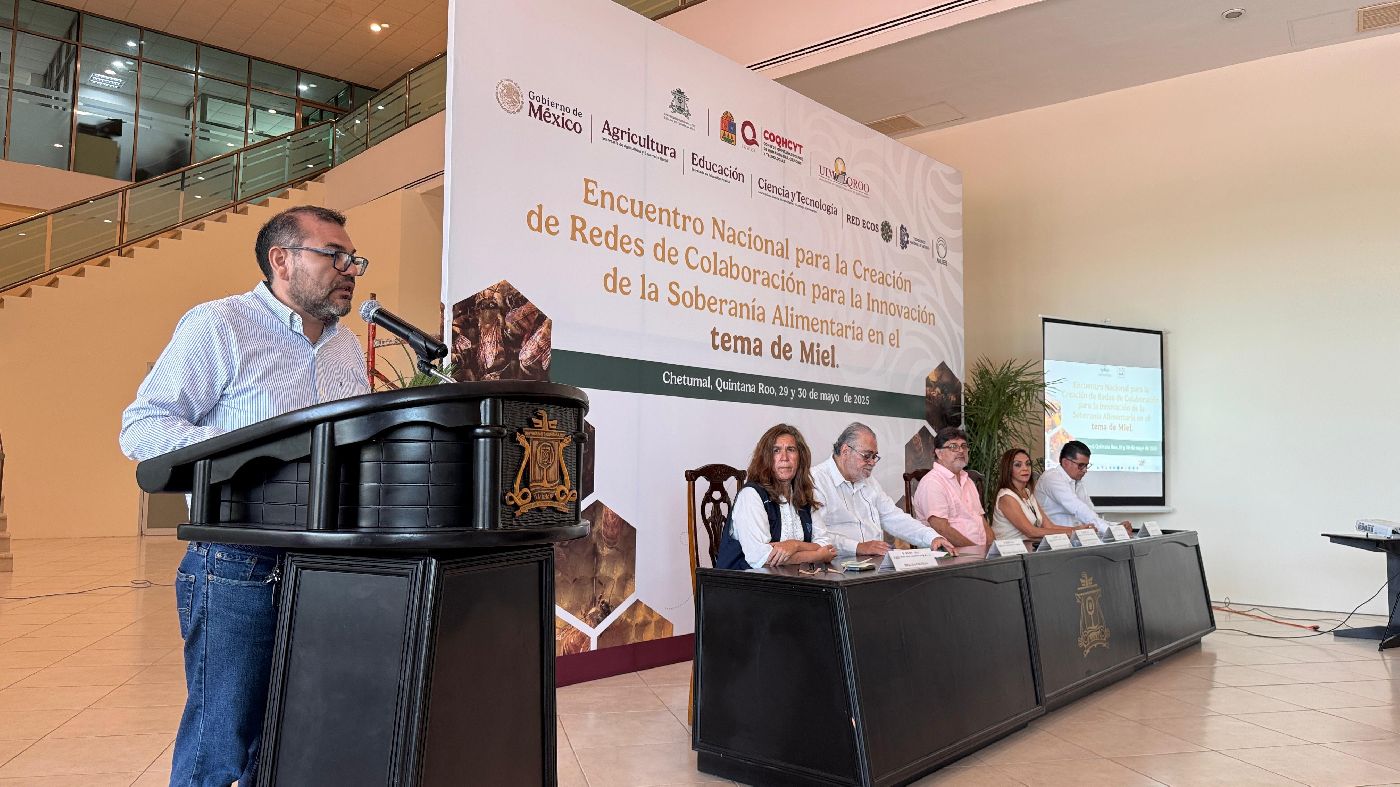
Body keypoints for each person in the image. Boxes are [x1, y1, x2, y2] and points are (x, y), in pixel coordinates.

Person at [119, 205, 370, 786]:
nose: (349, 269)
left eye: (354, 258)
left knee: (288, 735)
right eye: (334, 255)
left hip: (327, 561)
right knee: (221, 742)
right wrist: (253, 454)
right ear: (282, 260)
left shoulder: (346, 347)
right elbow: (142, 428)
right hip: (237, 560)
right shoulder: (219, 325)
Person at [812, 422, 956, 557]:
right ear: (845, 451)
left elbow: (893, 517)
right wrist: (857, 547)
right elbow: (816, 535)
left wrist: (932, 538)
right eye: (867, 456)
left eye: (874, 456)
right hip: (837, 564)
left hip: (875, 562)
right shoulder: (815, 480)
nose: (872, 462)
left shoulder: (868, 481)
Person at [715, 424, 837, 570]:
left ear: (800, 458)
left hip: (789, 579)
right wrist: (817, 555)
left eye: (791, 450)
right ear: (765, 458)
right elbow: (762, 558)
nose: (784, 458)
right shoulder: (751, 495)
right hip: (743, 581)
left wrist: (794, 545)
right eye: (776, 450)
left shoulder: (802, 495)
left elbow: (826, 545)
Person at [913, 427, 993, 548]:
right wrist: (976, 551)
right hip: (949, 554)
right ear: (939, 453)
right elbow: (941, 529)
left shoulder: (968, 481)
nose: (961, 450)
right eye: (953, 446)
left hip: (979, 553)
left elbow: (981, 520)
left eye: (964, 446)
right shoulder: (932, 483)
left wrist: (993, 548)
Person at [1035, 440, 1133, 536]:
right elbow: (1079, 509)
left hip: (1075, 538)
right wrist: (1111, 531)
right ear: (1065, 462)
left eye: (1086, 465)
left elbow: (1090, 515)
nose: (1085, 470)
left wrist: (1116, 527)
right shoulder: (1052, 477)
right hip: (1054, 540)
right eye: (1081, 465)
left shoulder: (1078, 482)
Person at [990, 448, 1080, 542]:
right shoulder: (1006, 496)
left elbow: (1049, 526)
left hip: (1028, 548)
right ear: (1008, 469)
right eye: (1018, 465)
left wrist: (1078, 530)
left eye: (1028, 464)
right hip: (1010, 550)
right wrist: (1071, 532)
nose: (1025, 468)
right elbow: (1031, 532)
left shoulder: (1028, 493)